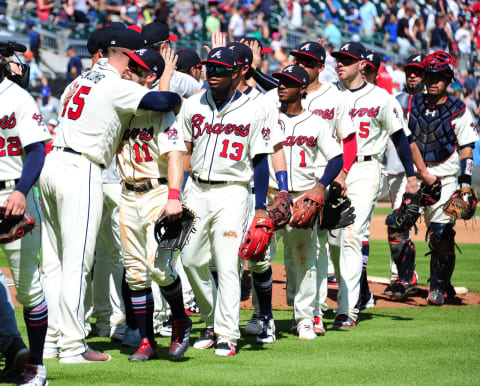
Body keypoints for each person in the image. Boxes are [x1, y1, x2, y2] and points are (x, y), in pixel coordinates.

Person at [38, 27, 181, 364]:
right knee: (77, 263)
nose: (136, 66)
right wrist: (167, 80)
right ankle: (72, 347)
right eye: (135, 58)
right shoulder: (116, 85)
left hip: (52, 163)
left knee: (54, 265)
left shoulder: (78, 81)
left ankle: (49, 343)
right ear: (127, 56)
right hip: (81, 168)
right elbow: (164, 102)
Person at [179, 47, 273, 357]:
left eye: (220, 70)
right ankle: (211, 319)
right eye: (209, 68)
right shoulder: (192, 105)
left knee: (227, 262)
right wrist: (175, 194)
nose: (213, 74)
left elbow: (260, 162)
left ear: (236, 73)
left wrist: (260, 207)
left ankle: (227, 334)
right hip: (195, 190)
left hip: (233, 191)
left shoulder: (254, 109)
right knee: (190, 260)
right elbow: (182, 152)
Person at [330, 41, 419, 328]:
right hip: (332, 170)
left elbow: (399, 139)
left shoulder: (381, 98)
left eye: (345, 59)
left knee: (352, 234)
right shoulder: (329, 94)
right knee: (331, 239)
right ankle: (329, 304)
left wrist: (412, 177)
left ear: (362, 65)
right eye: (337, 59)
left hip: (366, 168)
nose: (339, 63)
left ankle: (348, 309)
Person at [118, 47, 192, 360]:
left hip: (157, 193)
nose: (126, 71)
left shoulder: (162, 111)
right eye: (128, 65)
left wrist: (174, 197)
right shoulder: (120, 107)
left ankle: (180, 319)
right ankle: (147, 340)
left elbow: (176, 156)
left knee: (160, 269)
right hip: (126, 193)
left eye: (135, 68)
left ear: (150, 76)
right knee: (135, 272)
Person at [269, 64, 343, 339]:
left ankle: (305, 318)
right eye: (279, 81)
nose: (281, 86)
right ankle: (261, 314)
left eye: (288, 82)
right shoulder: (267, 117)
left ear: (302, 88)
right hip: (271, 196)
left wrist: (321, 186)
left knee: (304, 260)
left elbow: (337, 157)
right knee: (260, 256)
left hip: (302, 198)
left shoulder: (315, 122)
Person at [406, 51, 478, 305]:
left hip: (445, 177)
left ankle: (437, 287)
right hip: (413, 177)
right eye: (430, 76)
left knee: (441, 234)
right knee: (398, 225)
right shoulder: (411, 103)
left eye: (440, 77)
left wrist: (466, 184)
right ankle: (404, 280)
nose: (433, 81)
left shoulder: (458, 108)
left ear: (448, 80)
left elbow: (466, 147)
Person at [0, 45, 51, 385]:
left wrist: (21, 190)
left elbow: (36, 151)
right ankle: (11, 346)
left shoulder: (16, 97)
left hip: (12, 196)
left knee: (29, 289)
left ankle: (36, 366)